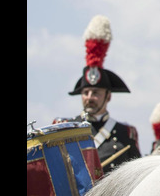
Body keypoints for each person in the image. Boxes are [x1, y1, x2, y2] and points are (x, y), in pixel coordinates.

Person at [55, 15, 142, 174]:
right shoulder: (64, 128)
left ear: (108, 96)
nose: (89, 97)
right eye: (85, 92)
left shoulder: (125, 133)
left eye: (95, 93)